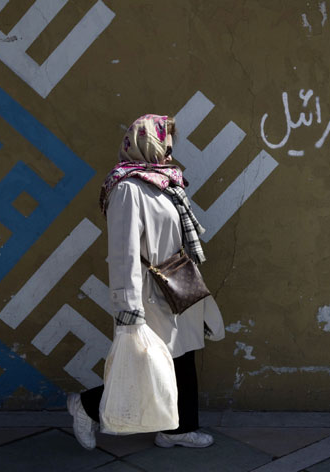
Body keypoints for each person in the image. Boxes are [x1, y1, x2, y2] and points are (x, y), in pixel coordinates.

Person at [67, 114, 225, 450]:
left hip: (176, 281)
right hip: (150, 291)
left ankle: (178, 429)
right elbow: (123, 253)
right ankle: (87, 406)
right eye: (165, 141)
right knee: (149, 365)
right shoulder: (126, 189)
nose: (170, 149)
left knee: (182, 357)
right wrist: (127, 307)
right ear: (148, 142)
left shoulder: (163, 181)